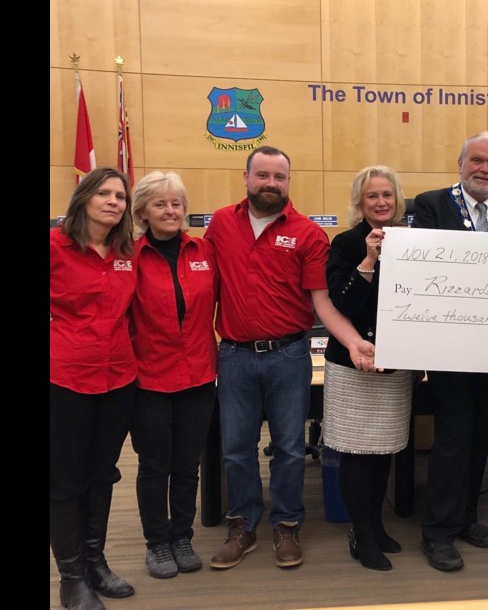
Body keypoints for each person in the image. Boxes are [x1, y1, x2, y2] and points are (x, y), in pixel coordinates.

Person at [204, 146, 377, 571]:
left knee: (289, 448)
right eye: (262, 175)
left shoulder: (307, 233)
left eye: (279, 177)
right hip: (235, 356)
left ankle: (286, 525)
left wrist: (353, 341)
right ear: (245, 177)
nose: (270, 184)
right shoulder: (220, 225)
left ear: (288, 182)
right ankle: (242, 526)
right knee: (236, 449)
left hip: (288, 355)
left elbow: (322, 302)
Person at [411, 131, 488, 572]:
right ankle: (437, 532)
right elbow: (424, 268)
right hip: (449, 349)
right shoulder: (431, 204)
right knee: (454, 439)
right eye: (476, 160)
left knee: (482, 435)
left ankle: (467, 518)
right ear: (460, 163)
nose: (484, 169)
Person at [50, 167, 137, 610]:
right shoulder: (54, 247)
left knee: (103, 474)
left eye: (120, 196)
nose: (113, 202)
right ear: (83, 198)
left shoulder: (128, 252)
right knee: (65, 480)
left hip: (118, 378)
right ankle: (71, 575)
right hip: (65, 379)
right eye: (103, 193)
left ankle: (96, 562)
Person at [323, 165, 416, 572]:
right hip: (353, 364)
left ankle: (375, 525)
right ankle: (360, 534)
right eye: (372, 196)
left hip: (395, 365)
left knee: (384, 452)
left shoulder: (413, 242)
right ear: (360, 203)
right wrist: (369, 259)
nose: (381, 203)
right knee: (358, 453)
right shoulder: (345, 243)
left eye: (387, 196)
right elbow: (343, 304)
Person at [128, 171, 218, 578]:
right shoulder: (128, 256)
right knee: (154, 465)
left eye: (177, 203)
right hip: (148, 379)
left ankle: (181, 535)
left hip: (198, 376)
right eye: (161, 203)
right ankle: (157, 542)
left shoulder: (204, 250)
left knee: (187, 465)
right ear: (143, 211)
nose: (171, 210)